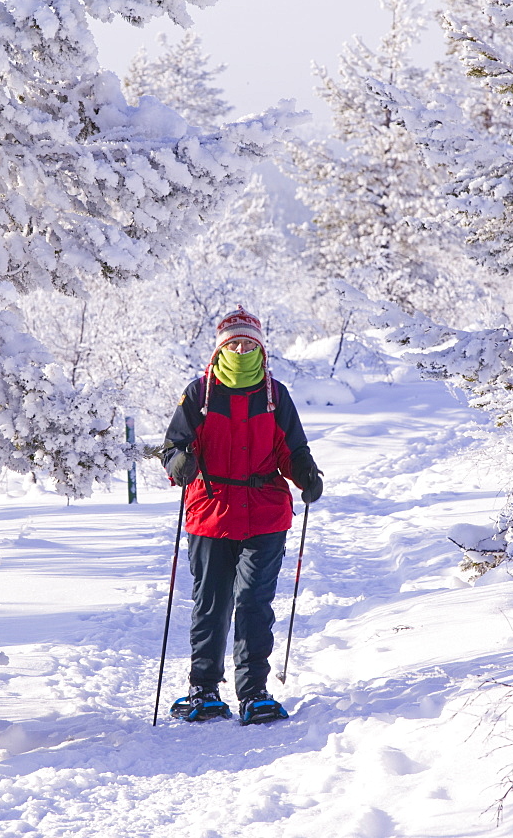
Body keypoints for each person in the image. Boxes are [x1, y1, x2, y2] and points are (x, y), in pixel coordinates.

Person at [162, 305, 323, 724]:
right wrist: (178, 462)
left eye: (248, 341)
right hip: (211, 511)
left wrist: (306, 474)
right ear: (219, 348)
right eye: (233, 341)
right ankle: (204, 690)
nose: (240, 347)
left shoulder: (275, 395)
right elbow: (173, 446)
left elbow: (293, 449)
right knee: (211, 603)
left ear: (260, 347)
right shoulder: (200, 393)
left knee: (253, 602)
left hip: (265, 513)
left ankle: (254, 693)